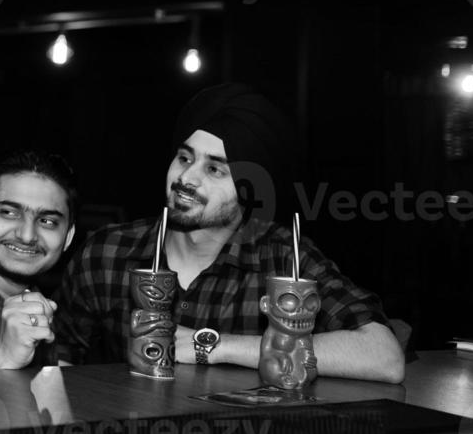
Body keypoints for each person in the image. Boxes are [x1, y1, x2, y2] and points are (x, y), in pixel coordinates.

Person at [53, 83, 405, 383]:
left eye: (215, 170)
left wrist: (213, 346)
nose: (187, 179)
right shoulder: (106, 252)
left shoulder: (281, 256)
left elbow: (384, 356)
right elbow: (58, 360)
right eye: (184, 158)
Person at [0, 151, 77, 369]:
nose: (27, 235)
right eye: (9, 213)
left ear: (67, 237)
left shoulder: (45, 308)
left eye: (47, 221)